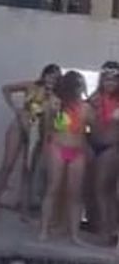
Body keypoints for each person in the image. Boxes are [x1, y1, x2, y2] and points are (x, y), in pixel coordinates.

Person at [0, 64, 61, 218]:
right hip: (19, 126)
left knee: (28, 170)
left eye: (56, 78)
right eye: (50, 75)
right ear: (44, 75)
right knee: (7, 164)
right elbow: (6, 88)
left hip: (37, 133)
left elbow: (59, 123)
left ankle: (24, 209)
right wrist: (15, 108)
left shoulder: (56, 98)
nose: (52, 80)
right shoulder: (31, 86)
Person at [40, 70, 92, 246]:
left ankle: (74, 234)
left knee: (75, 194)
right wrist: (45, 149)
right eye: (78, 85)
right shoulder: (56, 104)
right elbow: (48, 128)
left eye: (81, 85)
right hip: (58, 147)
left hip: (78, 151)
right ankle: (44, 230)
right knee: (52, 189)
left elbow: (91, 130)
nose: (80, 88)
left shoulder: (86, 107)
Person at [88, 61, 119, 243]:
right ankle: (107, 228)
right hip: (94, 146)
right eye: (107, 80)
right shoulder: (95, 98)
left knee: (105, 190)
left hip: (111, 148)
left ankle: (108, 231)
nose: (110, 83)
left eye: (114, 80)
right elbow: (84, 123)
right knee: (100, 190)